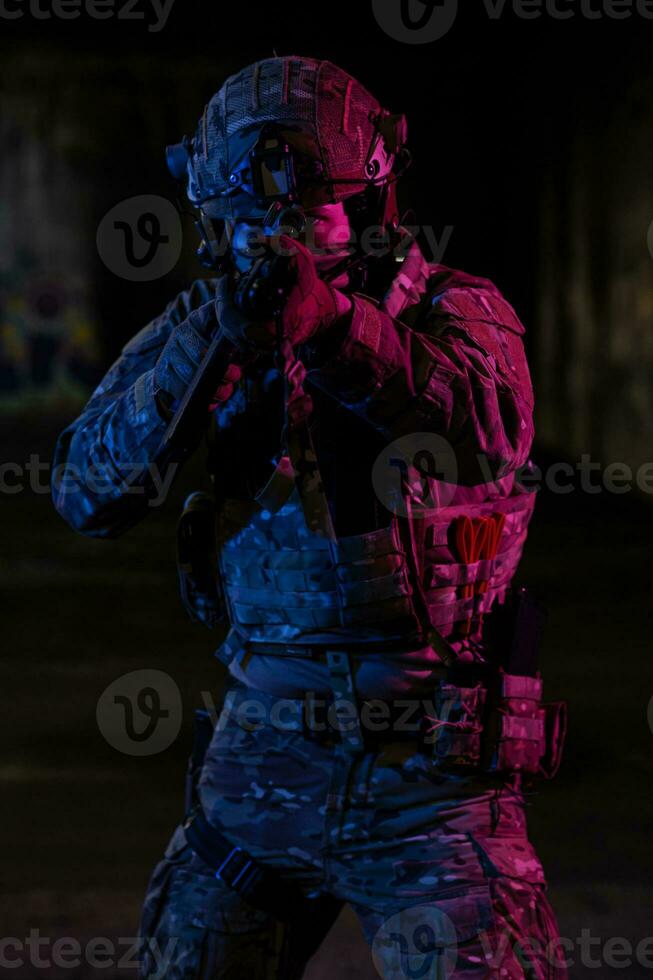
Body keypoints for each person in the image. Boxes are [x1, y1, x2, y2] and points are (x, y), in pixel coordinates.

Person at [53, 56, 568, 980]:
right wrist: (210, 352)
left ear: (368, 209)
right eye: (245, 219)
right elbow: (87, 493)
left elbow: (487, 429)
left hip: (432, 784)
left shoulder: (456, 310)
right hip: (262, 766)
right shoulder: (203, 325)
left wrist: (332, 328)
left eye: (299, 214)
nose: (269, 238)